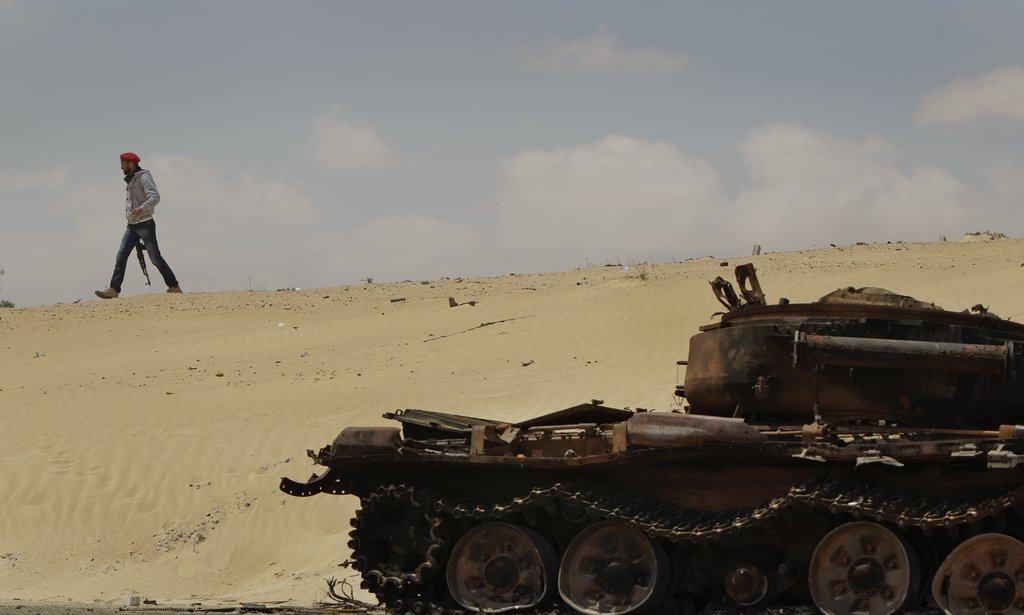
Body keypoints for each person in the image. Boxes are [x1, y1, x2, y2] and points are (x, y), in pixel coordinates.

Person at [95, 152, 182, 299]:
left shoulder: (144, 177)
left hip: (145, 224)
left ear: (131, 164)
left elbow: (155, 196)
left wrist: (141, 208)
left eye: (123, 164)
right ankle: (113, 290)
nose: (121, 167)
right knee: (121, 256)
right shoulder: (130, 180)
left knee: (155, 258)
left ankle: (174, 286)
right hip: (131, 226)